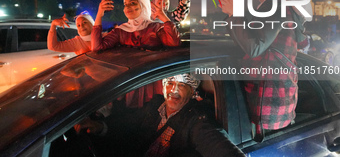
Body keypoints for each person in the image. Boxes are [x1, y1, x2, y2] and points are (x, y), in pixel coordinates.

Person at [220, 0, 312, 140]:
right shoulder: (289, 10)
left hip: (265, 108)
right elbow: (260, 39)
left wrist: (234, 13)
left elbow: (254, 47)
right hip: (278, 107)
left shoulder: (276, 6)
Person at [75, 73, 246, 157]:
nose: (174, 90)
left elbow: (218, 147)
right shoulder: (156, 105)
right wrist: (99, 127)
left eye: (182, 84)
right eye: (170, 83)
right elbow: (129, 123)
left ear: (192, 90)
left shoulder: (196, 119)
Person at [92, 0, 181, 107]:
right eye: (125, 4)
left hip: (152, 82)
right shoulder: (121, 30)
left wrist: (164, 17)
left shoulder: (155, 27)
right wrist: (99, 14)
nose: (127, 7)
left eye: (133, 3)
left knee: (152, 113)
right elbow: (97, 47)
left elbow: (174, 44)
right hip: (130, 84)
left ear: (143, 5)